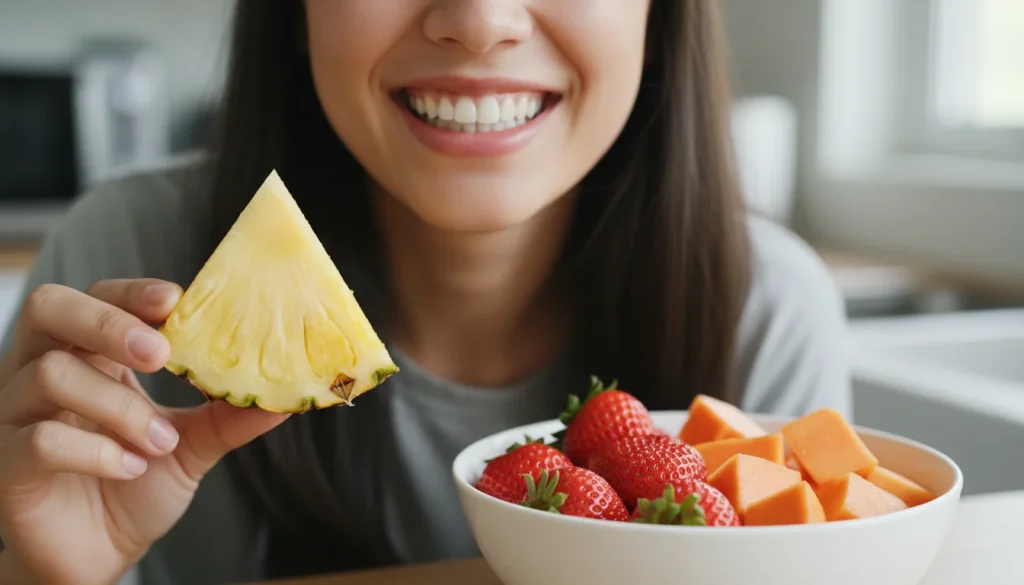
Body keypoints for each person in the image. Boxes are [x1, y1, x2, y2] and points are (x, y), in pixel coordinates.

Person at [0, 1, 851, 584]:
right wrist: (39, 572)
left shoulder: (765, 311)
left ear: (660, 16)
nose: (478, 21)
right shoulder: (127, 275)